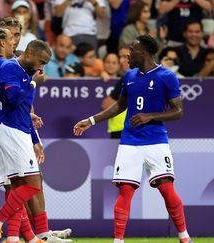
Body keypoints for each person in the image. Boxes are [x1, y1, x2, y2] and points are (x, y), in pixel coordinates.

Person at [74, 35, 192, 243]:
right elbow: (119, 106)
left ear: (144, 52)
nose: (127, 53)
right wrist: (91, 120)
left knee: (166, 188)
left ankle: (184, 237)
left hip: (156, 141)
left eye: (132, 48)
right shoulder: (129, 76)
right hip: (130, 142)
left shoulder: (166, 76)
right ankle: (118, 241)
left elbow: (179, 111)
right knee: (125, 190)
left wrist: (150, 116)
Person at [0, 40, 54, 241]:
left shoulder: (25, 73)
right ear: (29, 53)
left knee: (17, 188)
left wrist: (34, 138)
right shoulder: (10, 68)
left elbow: (23, 110)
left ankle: (21, 238)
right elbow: (13, 99)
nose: (42, 67)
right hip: (11, 131)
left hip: (20, 131)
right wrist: (32, 83)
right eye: (41, 61)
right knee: (32, 185)